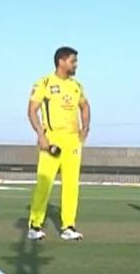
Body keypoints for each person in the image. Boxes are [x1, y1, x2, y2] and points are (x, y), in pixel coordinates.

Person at [26, 46, 91, 241]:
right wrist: (41, 135)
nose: (76, 65)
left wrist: (85, 128)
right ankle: (35, 225)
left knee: (71, 185)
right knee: (44, 183)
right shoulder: (44, 82)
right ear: (61, 61)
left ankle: (68, 227)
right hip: (52, 139)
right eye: (73, 61)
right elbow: (31, 110)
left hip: (72, 141)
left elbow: (85, 105)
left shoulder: (76, 85)